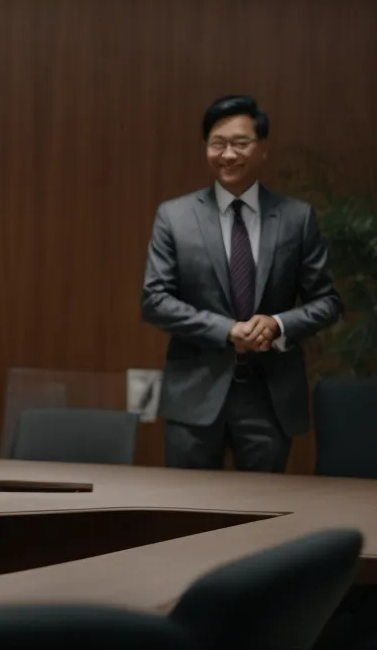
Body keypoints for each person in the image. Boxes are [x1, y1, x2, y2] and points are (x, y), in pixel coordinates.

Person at [142, 95, 341, 472]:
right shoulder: (175, 216)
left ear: (263, 149)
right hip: (194, 394)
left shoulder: (297, 218)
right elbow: (155, 300)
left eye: (240, 143)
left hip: (269, 395)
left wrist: (278, 324)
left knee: (263, 512)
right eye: (218, 144)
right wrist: (227, 330)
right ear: (206, 147)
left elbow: (327, 301)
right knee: (186, 511)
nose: (228, 155)